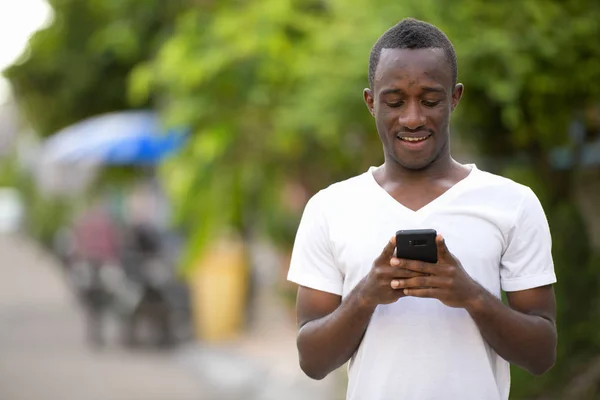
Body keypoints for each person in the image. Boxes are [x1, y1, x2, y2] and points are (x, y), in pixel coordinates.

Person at [287, 18, 557, 400]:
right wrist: (367, 295)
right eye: (394, 102)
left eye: (430, 101)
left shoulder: (513, 203)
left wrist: (470, 295)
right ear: (371, 102)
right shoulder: (329, 208)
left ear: (454, 98)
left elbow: (542, 353)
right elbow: (312, 362)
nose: (412, 118)